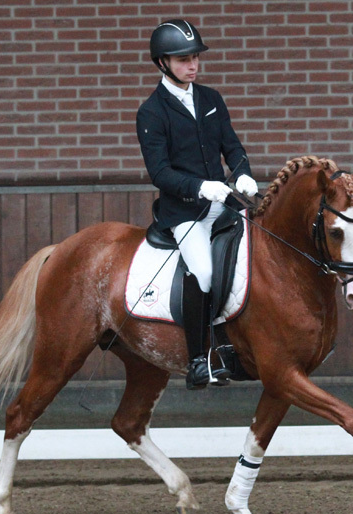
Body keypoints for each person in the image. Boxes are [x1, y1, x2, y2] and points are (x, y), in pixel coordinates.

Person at [136, 19, 258, 390]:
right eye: (183, 60)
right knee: (203, 272)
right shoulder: (151, 112)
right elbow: (160, 173)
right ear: (163, 63)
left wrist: (242, 173)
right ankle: (197, 360)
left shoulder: (211, 99)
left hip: (224, 204)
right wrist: (201, 188)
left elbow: (232, 147)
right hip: (185, 213)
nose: (193, 65)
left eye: (195, 58)